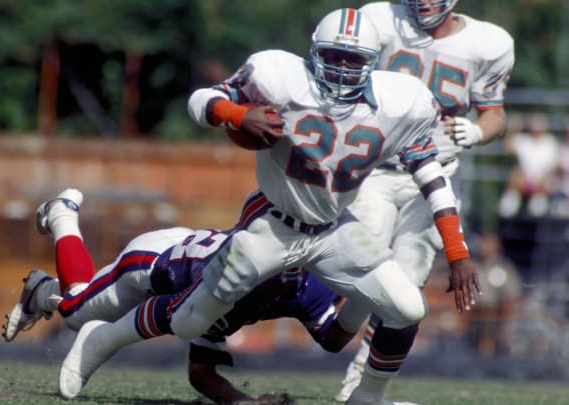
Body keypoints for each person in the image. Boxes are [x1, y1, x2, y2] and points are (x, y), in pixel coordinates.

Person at [47, 9, 480, 405]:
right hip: (273, 224)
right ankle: (101, 339)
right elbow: (201, 101)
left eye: (354, 60)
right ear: (314, 53)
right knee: (188, 323)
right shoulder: (280, 75)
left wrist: (457, 253)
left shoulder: (401, 102)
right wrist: (239, 115)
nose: (343, 68)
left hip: (335, 230)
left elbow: (432, 176)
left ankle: (366, 398)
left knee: (408, 307)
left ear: (372, 61)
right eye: (334, 56)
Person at [333, 1, 514, 400]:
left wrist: (477, 131)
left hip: (434, 177)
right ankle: (327, 329)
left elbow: (494, 115)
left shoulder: (489, 43)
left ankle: (360, 387)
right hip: (375, 171)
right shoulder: (380, 20)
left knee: (405, 284)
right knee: (364, 265)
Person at [3, 196, 340, 404]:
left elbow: (201, 373)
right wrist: (108, 339)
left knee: (75, 304)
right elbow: (164, 313)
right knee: (76, 313)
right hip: (151, 264)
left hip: (186, 263)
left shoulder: (307, 286)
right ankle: (62, 215)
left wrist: (244, 402)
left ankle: (42, 291)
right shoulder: (226, 278)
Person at [498, 113, 559, 218]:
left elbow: (553, 167)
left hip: (543, 181)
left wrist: (540, 178)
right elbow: (508, 148)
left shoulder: (550, 142)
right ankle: (511, 203)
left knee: (545, 181)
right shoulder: (523, 140)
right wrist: (512, 129)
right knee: (515, 175)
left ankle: (538, 203)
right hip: (523, 179)